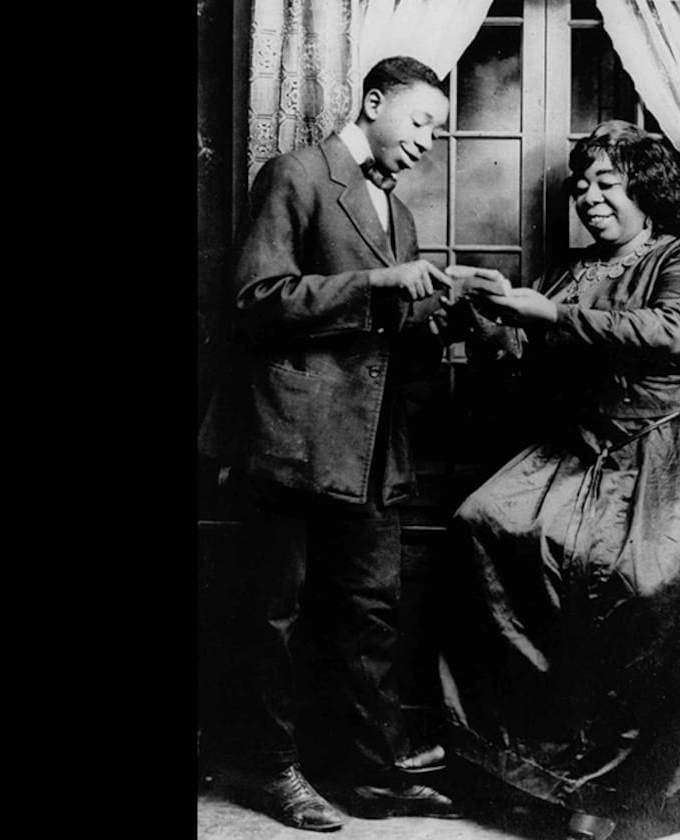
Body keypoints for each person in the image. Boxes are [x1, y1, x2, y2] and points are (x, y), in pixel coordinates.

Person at [437, 120, 680, 840]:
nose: (589, 198)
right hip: (576, 449)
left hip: (669, 451)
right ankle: (532, 772)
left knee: (644, 579)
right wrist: (491, 321)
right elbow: (531, 361)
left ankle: (620, 793)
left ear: (646, 191)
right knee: (482, 524)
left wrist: (551, 314)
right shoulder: (569, 271)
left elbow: (666, 333)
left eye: (606, 184)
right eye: (581, 186)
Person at [197, 56, 507, 832]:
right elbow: (253, 300)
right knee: (274, 613)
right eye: (421, 122)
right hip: (292, 436)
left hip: (370, 447)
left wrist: (445, 302)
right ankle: (272, 773)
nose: (429, 142)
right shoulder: (295, 174)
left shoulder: (396, 212)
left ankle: (371, 776)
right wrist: (378, 284)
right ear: (373, 103)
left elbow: (385, 325)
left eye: (438, 130)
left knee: (369, 613)